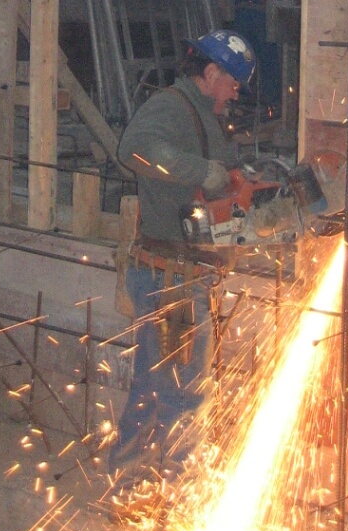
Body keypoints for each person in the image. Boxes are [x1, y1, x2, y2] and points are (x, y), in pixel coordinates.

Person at [108, 29, 257, 496]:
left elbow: (215, 169)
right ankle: (182, 494)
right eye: (232, 81)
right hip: (169, 278)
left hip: (174, 272)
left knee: (153, 384)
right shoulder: (171, 106)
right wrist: (200, 170)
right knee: (184, 391)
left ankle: (129, 479)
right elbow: (132, 148)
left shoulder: (201, 115)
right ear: (210, 73)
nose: (236, 91)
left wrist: (237, 173)